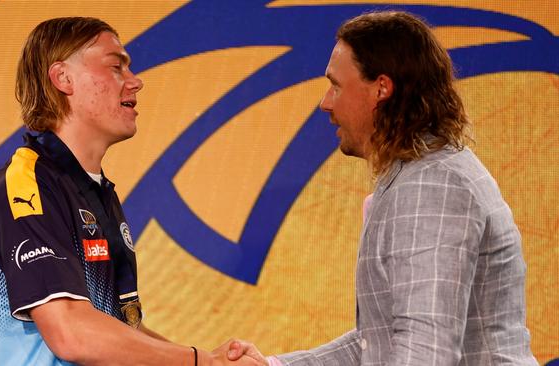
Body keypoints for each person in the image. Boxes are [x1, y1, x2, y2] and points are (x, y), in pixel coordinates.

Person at [227, 10, 538, 365]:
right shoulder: (414, 175)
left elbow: (426, 352)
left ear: (381, 88)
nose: (325, 103)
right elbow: (375, 343)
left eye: (336, 85)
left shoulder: (431, 185)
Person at [0, 17, 260, 366]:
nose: (135, 82)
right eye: (116, 67)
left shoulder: (95, 190)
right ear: (63, 78)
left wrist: (208, 359)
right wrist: (200, 362)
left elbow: (117, 330)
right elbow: (71, 333)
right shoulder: (30, 180)